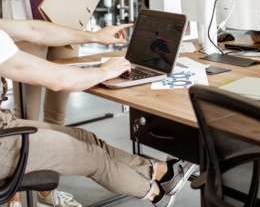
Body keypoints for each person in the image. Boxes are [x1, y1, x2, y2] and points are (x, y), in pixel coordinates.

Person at [0, 18, 196, 207]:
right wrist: (105, 72)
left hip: (4, 124)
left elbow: (34, 30)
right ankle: (155, 194)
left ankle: (164, 173)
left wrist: (95, 36)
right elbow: (58, 80)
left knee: (84, 137)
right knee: (93, 158)